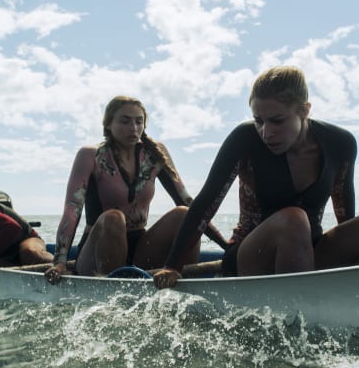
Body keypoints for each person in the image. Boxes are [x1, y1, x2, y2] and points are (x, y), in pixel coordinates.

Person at [153, 66, 359, 289]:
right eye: (259, 121)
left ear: (305, 111)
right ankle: (298, 320)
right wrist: (173, 265)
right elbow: (206, 202)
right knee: (294, 219)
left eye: (277, 121)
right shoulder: (245, 139)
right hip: (249, 257)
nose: (266, 132)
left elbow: (345, 214)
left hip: (308, 254)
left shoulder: (341, 143)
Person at [45, 95, 228, 283]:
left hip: (141, 249)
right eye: (125, 121)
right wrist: (59, 261)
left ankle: (187, 284)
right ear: (108, 124)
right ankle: (111, 291)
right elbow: (72, 209)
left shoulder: (155, 154)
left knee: (184, 214)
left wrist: (226, 247)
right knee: (113, 217)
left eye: (139, 122)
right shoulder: (91, 155)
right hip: (97, 251)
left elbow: (189, 202)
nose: (133, 128)